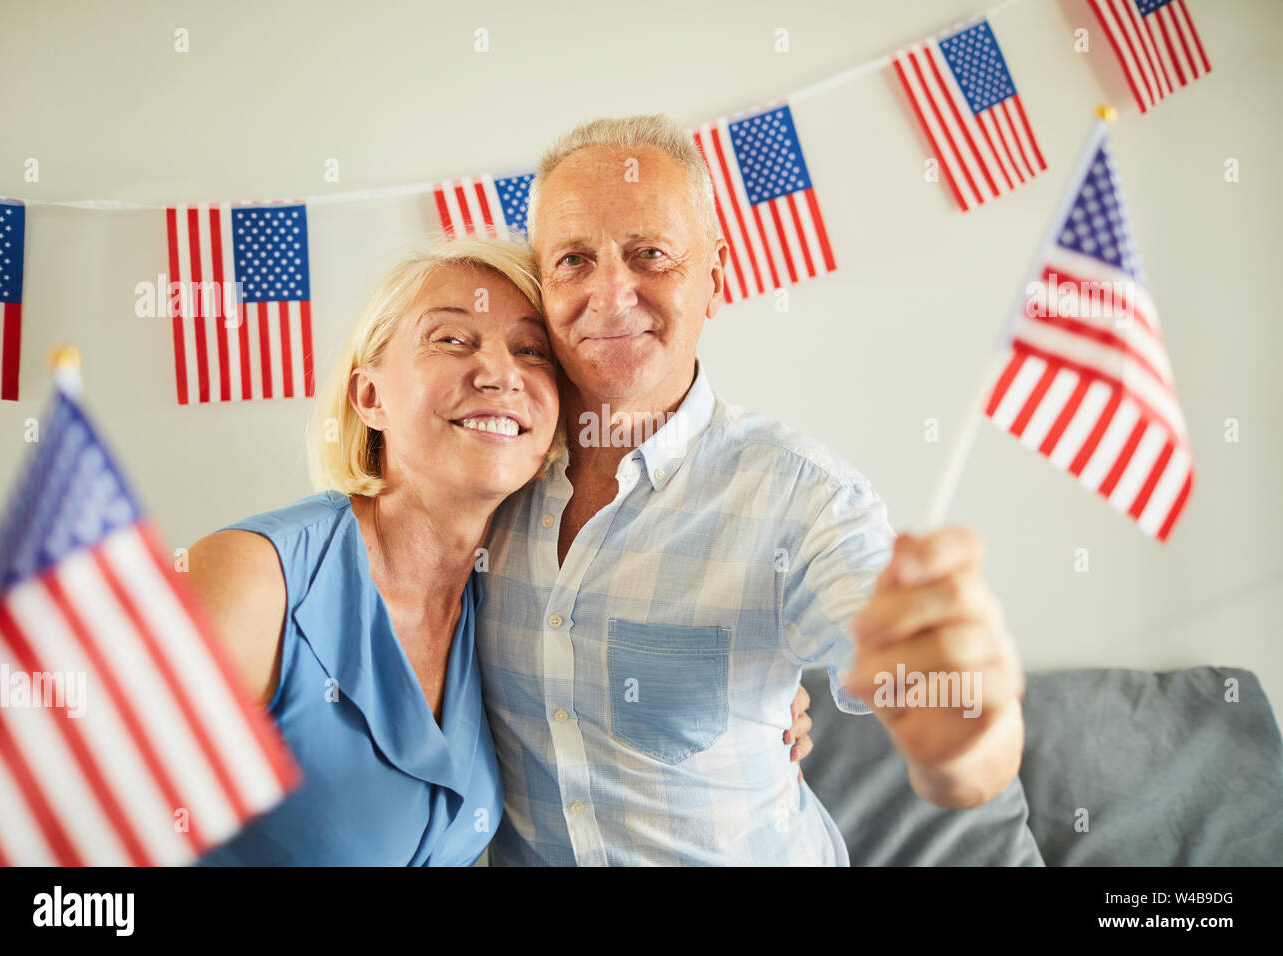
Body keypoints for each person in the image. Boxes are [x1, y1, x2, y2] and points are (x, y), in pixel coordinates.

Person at [475, 115, 1027, 865]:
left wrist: (961, 720)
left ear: (715, 279)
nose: (610, 293)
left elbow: (960, 754)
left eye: (650, 255)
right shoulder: (480, 479)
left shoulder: (805, 500)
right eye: (574, 259)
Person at [184, 237, 813, 865]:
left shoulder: (513, 588)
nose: (498, 373)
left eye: (530, 350)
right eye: (452, 340)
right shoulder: (254, 581)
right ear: (369, 397)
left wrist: (759, 698)